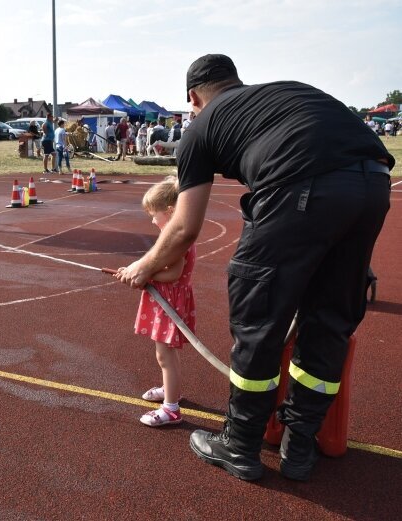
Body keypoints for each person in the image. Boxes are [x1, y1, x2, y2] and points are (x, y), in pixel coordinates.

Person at [118, 53, 393, 482]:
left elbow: (184, 228)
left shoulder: (201, 127)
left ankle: (239, 443)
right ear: (236, 81)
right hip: (374, 184)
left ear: (194, 97)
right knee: (330, 319)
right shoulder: (276, 97)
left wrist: (144, 266)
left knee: (259, 316)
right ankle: (300, 446)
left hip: (300, 186)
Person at [116, 175, 196, 427]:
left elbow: (173, 273)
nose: (152, 219)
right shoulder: (171, 236)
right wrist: (137, 268)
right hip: (165, 299)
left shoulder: (176, 240)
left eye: (154, 214)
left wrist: (146, 274)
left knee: (165, 355)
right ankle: (169, 389)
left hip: (168, 301)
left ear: (170, 212)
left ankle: (172, 408)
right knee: (165, 354)